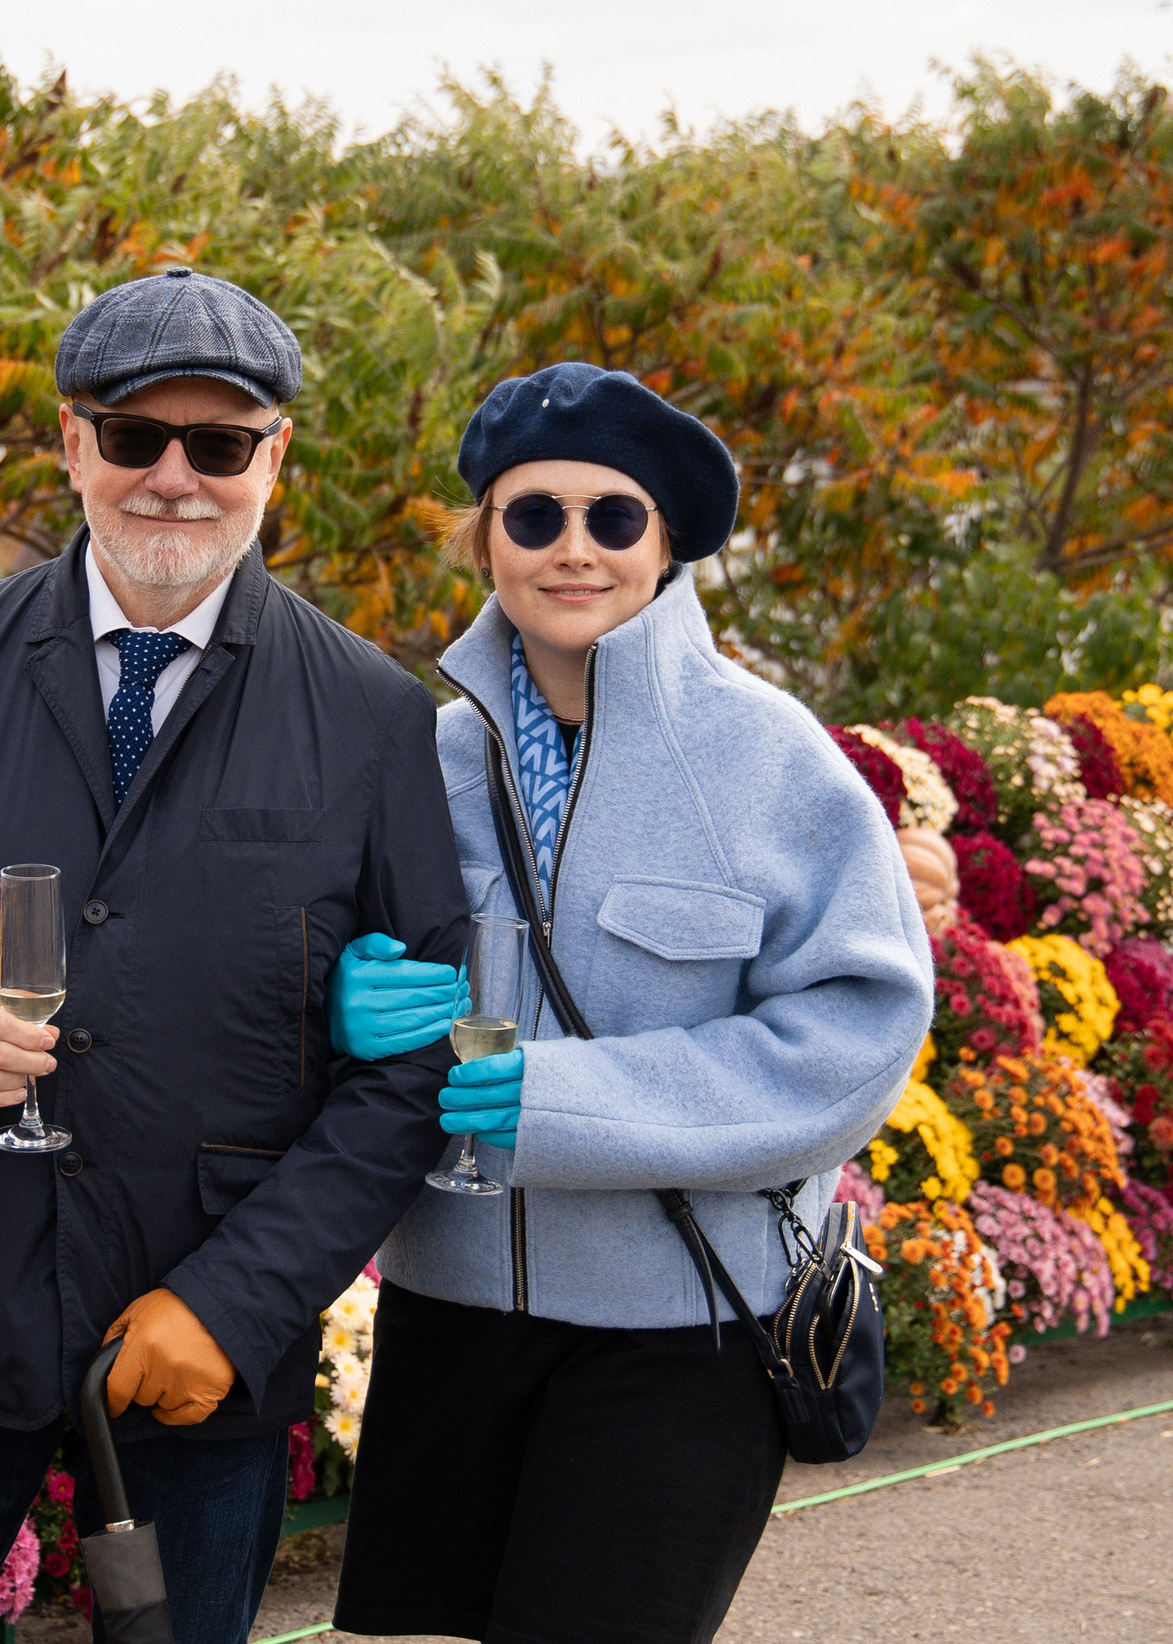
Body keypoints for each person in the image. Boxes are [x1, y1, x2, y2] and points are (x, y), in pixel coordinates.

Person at [0, 267, 471, 1644]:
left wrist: (237, 1299)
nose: (173, 478)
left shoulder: (376, 717)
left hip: (202, 1352)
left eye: (219, 442)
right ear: (73, 445)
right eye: (134, 436)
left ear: (276, 460)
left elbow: (418, 1053)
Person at [324, 362, 934, 1644]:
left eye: (615, 517)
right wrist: (337, 1000)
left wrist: (563, 1099)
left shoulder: (770, 757)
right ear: (486, 536)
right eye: (532, 515)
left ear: (667, 546)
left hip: (683, 1333)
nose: (573, 550)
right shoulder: (418, 756)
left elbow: (854, 1035)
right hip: (451, 1316)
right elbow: (330, 963)